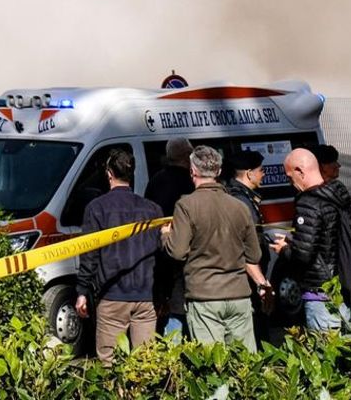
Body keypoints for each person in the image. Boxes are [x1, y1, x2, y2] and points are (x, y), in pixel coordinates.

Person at [160, 144, 270, 351]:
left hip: (204, 296)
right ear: (218, 172)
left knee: (213, 366)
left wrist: (166, 236)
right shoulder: (240, 206)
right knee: (244, 364)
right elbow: (254, 254)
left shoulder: (186, 205)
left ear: (192, 171)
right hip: (239, 295)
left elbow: (177, 251)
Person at [74, 148, 162, 362]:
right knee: (145, 364)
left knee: (109, 363)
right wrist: (161, 293)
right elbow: (161, 255)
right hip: (145, 297)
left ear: (108, 173)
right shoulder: (153, 210)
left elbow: (90, 255)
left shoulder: (96, 209)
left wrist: (82, 291)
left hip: (111, 296)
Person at [271, 146, 351, 331]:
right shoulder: (339, 195)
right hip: (347, 286)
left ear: (300, 171)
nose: (290, 182)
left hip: (321, 294)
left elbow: (303, 256)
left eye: (289, 177)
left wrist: (284, 249)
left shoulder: (308, 202)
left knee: (325, 356)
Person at [145, 137, 194, 335]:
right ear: (186, 157)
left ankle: (171, 354)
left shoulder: (156, 181)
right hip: (188, 255)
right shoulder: (191, 182)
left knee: (171, 311)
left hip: (161, 253)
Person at [222, 149, 271, 341]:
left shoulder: (243, 196)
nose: (264, 174)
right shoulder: (241, 200)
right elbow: (245, 244)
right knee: (256, 328)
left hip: (249, 273)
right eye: (261, 170)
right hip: (248, 276)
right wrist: (260, 280)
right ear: (249, 173)